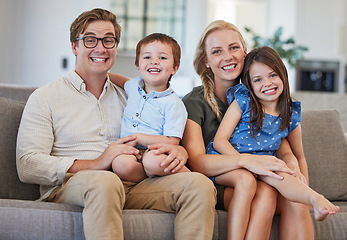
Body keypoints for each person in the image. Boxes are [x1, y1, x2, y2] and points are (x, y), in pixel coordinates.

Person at [16, 8, 216, 240]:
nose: (100, 48)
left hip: (132, 184)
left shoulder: (130, 96)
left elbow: (161, 129)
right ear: (74, 46)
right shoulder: (46, 97)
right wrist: (98, 163)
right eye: (90, 40)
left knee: (198, 185)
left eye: (108, 40)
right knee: (105, 180)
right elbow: (27, 165)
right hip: (73, 186)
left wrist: (177, 148)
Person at [181, 20, 315, 240]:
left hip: (265, 180)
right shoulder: (194, 103)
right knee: (265, 191)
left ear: (245, 51)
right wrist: (247, 161)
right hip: (225, 184)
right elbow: (197, 162)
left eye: (234, 47)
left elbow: (282, 146)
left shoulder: (261, 97)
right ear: (206, 60)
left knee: (294, 198)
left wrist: (296, 172)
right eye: (217, 51)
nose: (227, 56)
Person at [205, 46, 339, 239]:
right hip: (229, 162)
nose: (267, 83)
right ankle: (314, 198)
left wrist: (302, 183)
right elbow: (219, 141)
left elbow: (298, 155)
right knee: (273, 170)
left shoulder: (290, 112)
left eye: (272, 75)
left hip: (263, 165)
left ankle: (312, 198)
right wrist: (245, 161)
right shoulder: (244, 101)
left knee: (281, 173)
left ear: (283, 75)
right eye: (258, 80)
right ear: (249, 85)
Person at [111, 33, 190, 182]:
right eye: (147, 57)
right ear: (138, 66)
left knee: (153, 161)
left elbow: (172, 141)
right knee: (120, 164)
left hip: (155, 151)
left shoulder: (174, 103)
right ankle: (150, 180)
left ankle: (190, 178)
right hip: (131, 153)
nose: (154, 62)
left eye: (162, 58)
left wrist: (139, 137)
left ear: (175, 68)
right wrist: (100, 74)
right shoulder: (133, 86)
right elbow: (121, 81)